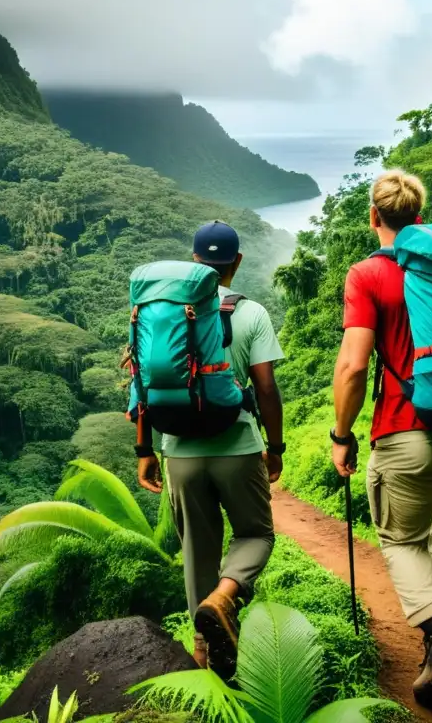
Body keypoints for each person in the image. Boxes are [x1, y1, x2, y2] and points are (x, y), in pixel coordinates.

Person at [330, 170, 432, 706]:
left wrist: (341, 433)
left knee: (402, 540)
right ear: (420, 214)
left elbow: (354, 367)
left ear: (374, 216)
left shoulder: (367, 275)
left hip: (407, 429)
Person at [137, 220, 286, 681]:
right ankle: (223, 598)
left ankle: (204, 653)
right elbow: (265, 387)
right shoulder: (252, 312)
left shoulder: (158, 312)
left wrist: (145, 449)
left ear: (194, 261)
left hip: (179, 451)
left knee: (198, 549)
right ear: (236, 262)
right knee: (256, 535)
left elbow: (142, 384)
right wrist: (276, 447)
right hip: (237, 447)